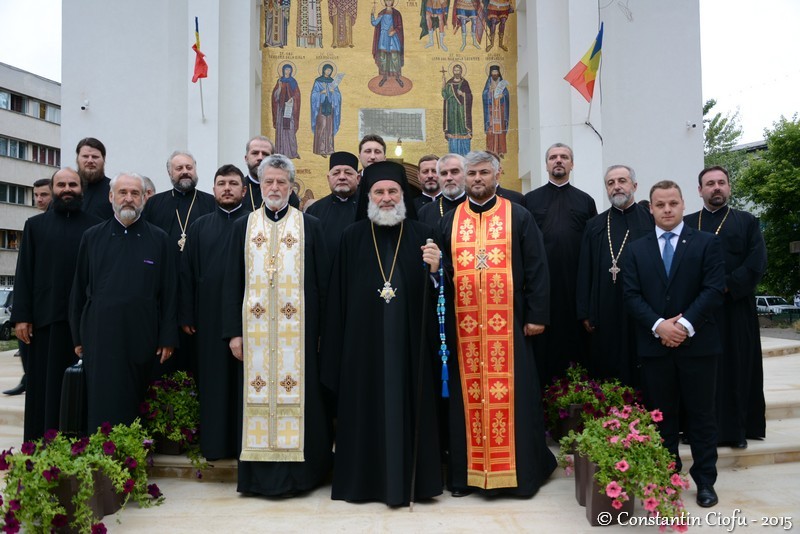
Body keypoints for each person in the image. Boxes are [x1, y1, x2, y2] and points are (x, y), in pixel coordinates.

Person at [321, 161, 442, 507]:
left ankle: (414, 483)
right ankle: (362, 483)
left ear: (403, 196)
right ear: (368, 196)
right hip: (363, 352)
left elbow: (440, 298)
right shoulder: (352, 237)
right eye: (379, 192)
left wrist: (437, 271)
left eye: (393, 192)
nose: (386, 198)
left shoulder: (422, 237)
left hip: (409, 350)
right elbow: (337, 300)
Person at [437, 151, 556, 497]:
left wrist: (537, 315)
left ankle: (520, 475)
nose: (476, 179)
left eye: (483, 173)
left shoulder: (517, 215)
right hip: (465, 331)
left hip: (511, 326)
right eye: (471, 173)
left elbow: (537, 266)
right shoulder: (450, 220)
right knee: (467, 400)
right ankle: (466, 475)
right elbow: (445, 274)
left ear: (497, 174)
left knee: (515, 398)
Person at [222, 154, 332, 497]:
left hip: (297, 339)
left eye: (281, 182)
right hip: (254, 338)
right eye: (268, 181)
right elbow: (230, 282)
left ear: (291, 186)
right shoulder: (244, 225)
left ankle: (302, 477)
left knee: (302, 402)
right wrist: (234, 333)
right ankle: (256, 479)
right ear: (259, 184)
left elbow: (323, 283)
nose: (274, 187)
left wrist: (320, 334)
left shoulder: (309, 225)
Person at [622, 180, 725, 508]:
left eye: (673, 204)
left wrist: (683, 324)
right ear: (649, 208)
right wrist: (658, 326)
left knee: (702, 416)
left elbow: (712, 289)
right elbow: (630, 295)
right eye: (660, 205)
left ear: (683, 205)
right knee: (661, 417)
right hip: (655, 348)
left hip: (698, 346)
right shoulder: (636, 249)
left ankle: (705, 480)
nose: (667, 210)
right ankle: (666, 477)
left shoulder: (707, 243)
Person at [70, 172, 178, 432]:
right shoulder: (92, 237)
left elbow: (170, 292)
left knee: (137, 399)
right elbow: (78, 290)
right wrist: (77, 337)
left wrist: (167, 337)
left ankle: (135, 459)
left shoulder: (160, 239)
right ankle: (104, 459)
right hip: (100, 333)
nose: (128, 199)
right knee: (102, 398)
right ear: (111, 197)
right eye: (123, 193)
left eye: (135, 194)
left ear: (144, 198)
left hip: (144, 334)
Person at [10, 168, 101, 439]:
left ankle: (80, 440)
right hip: (45, 321)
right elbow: (24, 273)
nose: (67, 189)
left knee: (83, 387)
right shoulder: (35, 227)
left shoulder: (96, 226)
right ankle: (42, 442)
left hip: (84, 323)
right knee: (45, 388)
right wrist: (21, 316)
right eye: (61, 184)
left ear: (81, 190)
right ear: (53, 190)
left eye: (73, 184)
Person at [684, 166, 767, 448]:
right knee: (697, 372)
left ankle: (736, 430)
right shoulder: (687, 223)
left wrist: (722, 287)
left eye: (721, 183)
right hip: (697, 312)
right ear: (700, 190)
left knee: (736, 368)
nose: (716, 187)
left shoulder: (747, 222)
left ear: (729, 187)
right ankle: (693, 428)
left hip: (734, 310)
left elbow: (756, 263)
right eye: (710, 184)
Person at [179, 165, 248, 461]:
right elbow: (186, 275)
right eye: (222, 183)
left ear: (244, 190)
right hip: (207, 320)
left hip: (247, 321)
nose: (228, 188)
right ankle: (216, 446)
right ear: (214, 189)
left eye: (234, 183)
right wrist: (187, 314)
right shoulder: (199, 226)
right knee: (213, 384)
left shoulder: (254, 225)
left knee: (244, 385)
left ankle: (244, 444)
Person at [524, 143, 597, 386]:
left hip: (575, 286)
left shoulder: (585, 201)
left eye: (564, 157)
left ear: (572, 164)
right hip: (542, 288)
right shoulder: (530, 200)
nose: (558, 161)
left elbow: (591, 247)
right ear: (546, 164)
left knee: (577, 346)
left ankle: (578, 400)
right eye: (553, 157)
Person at [576, 165, 653, 386]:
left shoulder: (650, 221)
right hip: (604, 307)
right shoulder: (595, 225)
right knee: (606, 363)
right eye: (611, 183)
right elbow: (585, 269)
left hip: (642, 308)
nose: (616, 187)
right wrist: (584, 311)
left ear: (634, 186)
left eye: (622, 181)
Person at [3, 177, 53, 397]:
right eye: (36, 195)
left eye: (44, 194)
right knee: (25, 344)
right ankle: (28, 378)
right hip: (33, 298)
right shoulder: (34, 225)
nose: (39, 199)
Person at [305, 151, 360, 257]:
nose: (342, 177)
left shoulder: (368, 208)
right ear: (328, 178)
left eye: (348, 173)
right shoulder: (314, 210)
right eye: (336, 173)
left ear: (358, 179)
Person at [242, 136, 300, 212]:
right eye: (255, 153)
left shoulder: (288, 195)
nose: (260, 158)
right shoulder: (238, 188)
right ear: (246, 159)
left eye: (265, 154)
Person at [417, 153, 466, 228]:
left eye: (454, 172)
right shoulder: (425, 212)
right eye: (443, 173)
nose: (449, 178)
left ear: (466, 174)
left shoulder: (477, 206)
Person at [76, 137, 113, 220]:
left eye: (95, 157)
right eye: (85, 156)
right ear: (77, 159)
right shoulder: (66, 189)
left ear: (104, 159)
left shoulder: (114, 189)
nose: (90, 161)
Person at [371, 0, 405, 88]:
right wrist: (372, 14)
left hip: (393, 38)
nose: (389, 1)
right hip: (383, 38)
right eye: (387, 0)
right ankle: (384, 77)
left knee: (395, 56)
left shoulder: (397, 13)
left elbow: (400, 26)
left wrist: (394, 31)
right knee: (383, 57)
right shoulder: (381, 13)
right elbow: (374, 23)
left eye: (390, 0)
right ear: (385, 1)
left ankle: (397, 77)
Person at [310, 63, 342, 156]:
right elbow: (313, 95)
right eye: (327, 70)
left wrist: (333, 93)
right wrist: (321, 93)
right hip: (321, 108)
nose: (329, 72)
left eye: (330, 70)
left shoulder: (332, 81)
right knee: (322, 126)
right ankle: (321, 149)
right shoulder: (318, 81)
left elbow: (338, 95)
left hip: (330, 108)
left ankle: (330, 148)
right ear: (323, 70)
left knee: (329, 127)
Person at [442, 64, 473, 155]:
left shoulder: (464, 83)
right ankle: (453, 153)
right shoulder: (449, 83)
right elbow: (445, 95)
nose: (457, 72)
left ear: (461, 72)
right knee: (452, 129)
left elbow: (470, 96)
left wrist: (463, 94)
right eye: (455, 70)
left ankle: (465, 153)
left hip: (461, 110)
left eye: (458, 70)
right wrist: (443, 85)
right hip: (451, 110)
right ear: (453, 71)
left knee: (463, 129)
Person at [272, 64, 302, 159]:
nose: (287, 71)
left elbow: (297, 95)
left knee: (290, 130)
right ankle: (281, 152)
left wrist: (292, 99)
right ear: (283, 70)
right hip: (281, 109)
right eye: (286, 69)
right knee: (282, 130)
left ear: (291, 71)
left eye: (289, 70)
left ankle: (293, 152)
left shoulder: (293, 82)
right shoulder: (280, 81)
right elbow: (275, 96)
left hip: (290, 109)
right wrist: (280, 87)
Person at [482, 65, 509, 157]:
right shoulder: (488, 84)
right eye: (493, 73)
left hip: (500, 110)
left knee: (500, 130)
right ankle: (490, 150)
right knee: (491, 129)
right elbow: (484, 95)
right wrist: (489, 92)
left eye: (496, 73)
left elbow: (506, 95)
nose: (495, 75)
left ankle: (500, 150)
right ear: (491, 74)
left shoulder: (502, 84)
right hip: (491, 110)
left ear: (498, 74)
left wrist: (503, 96)